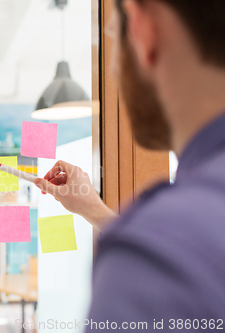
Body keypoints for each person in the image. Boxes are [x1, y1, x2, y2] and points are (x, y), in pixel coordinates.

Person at [34, 0, 225, 330]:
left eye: (111, 37)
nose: (113, 72)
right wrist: (95, 210)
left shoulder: (153, 257)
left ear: (144, 30)